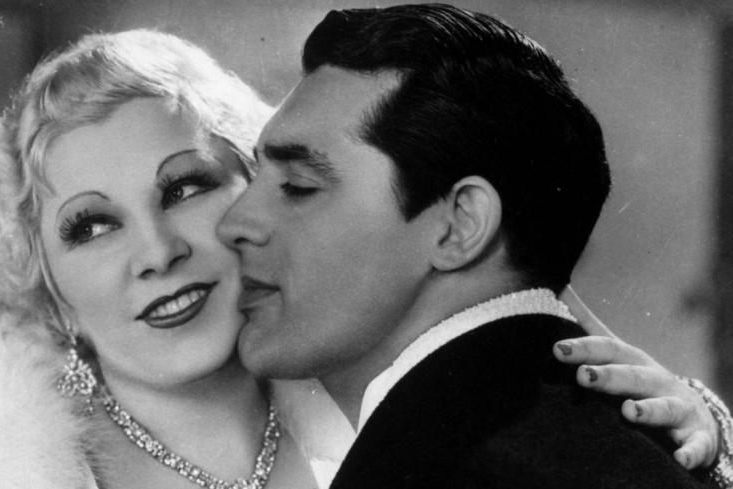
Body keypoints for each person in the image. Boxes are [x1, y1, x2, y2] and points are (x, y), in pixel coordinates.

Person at [0, 24, 727, 489]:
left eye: (185, 186)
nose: (158, 252)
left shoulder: (392, 372)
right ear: (47, 284)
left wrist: (703, 433)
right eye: (91, 226)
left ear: (255, 198)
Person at [215, 4, 732, 488]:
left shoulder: (440, 469)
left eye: (299, 186)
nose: (234, 223)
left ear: (461, 224)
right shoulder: (631, 442)